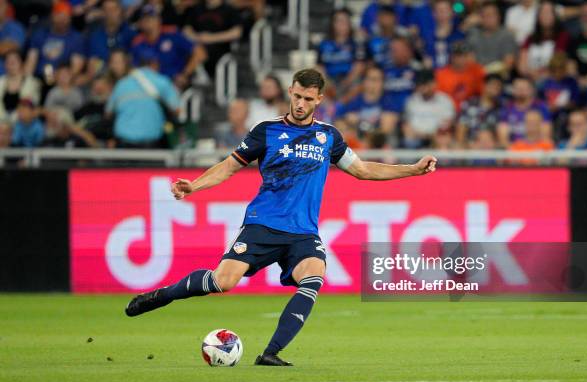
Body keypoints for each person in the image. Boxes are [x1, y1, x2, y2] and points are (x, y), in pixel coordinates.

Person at [125, 68, 437, 366]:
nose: (301, 104)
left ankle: (270, 353)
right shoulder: (267, 131)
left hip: (302, 232)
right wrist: (194, 185)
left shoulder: (328, 137)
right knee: (223, 281)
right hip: (263, 224)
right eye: (297, 96)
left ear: (319, 100)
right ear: (290, 92)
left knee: (314, 277)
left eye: (308, 99)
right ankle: (162, 296)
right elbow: (229, 166)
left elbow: (364, 169)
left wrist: (413, 169)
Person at [106, 52, 180, 148]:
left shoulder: (121, 84)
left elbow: (108, 113)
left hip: (124, 144)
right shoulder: (163, 82)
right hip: (152, 144)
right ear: (155, 64)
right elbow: (178, 111)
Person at [131, 4, 206, 88]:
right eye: (144, 19)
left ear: (159, 19)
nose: (148, 22)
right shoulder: (137, 42)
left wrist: (185, 74)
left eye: (151, 18)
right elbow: (133, 67)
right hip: (148, 86)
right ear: (140, 23)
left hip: (174, 82)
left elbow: (200, 53)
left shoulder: (172, 34)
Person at [25, 1, 86, 82]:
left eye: (65, 17)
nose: (62, 21)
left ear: (70, 19)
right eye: (59, 16)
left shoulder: (76, 38)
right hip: (38, 78)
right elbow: (31, 61)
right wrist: (26, 80)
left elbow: (76, 67)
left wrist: (63, 78)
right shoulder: (41, 34)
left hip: (62, 81)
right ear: (52, 16)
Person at [183, 0, 242, 78]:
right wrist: (198, 37)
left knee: (200, 51)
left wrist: (211, 38)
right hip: (198, 43)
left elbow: (237, 32)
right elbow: (187, 29)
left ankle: (184, 77)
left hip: (219, 48)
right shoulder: (197, 8)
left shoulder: (229, 9)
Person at [401, 68, 455, 148]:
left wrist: (431, 136)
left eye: (425, 83)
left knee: (443, 141)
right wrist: (421, 135)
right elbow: (407, 126)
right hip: (416, 140)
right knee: (408, 140)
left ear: (433, 83)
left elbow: (447, 126)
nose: (422, 87)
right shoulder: (412, 100)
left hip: (436, 140)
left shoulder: (445, 101)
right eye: (420, 84)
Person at [518, 1, 569, 81]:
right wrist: (532, 73)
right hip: (530, 78)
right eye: (543, 12)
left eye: (549, 12)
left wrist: (544, 75)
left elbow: (559, 63)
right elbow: (522, 66)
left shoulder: (563, 37)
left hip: (553, 79)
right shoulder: (529, 38)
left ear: (555, 15)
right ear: (538, 16)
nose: (546, 16)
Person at [317, 8, 365, 91]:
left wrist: (345, 83)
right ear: (333, 24)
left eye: (345, 21)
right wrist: (327, 84)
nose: (342, 24)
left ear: (350, 23)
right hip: (329, 82)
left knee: (360, 83)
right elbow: (319, 67)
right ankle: (329, 104)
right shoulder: (324, 44)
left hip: (350, 81)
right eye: (339, 21)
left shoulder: (356, 44)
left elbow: (359, 66)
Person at [86, 0, 136, 77]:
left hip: (125, 78)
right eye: (107, 10)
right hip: (102, 79)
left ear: (120, 11)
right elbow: (92, 65)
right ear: (102, 13)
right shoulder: (94, 36)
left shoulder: (130, 34)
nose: (111, 13)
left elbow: (133, 62)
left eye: (114, 9)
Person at [497, 77, 552, 146]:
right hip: (514, 151)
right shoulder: (507, 109)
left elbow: (545, 135)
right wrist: (517, 149)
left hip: (536, 151)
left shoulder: (541, 108)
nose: (521, 91)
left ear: (531, 90)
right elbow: (503, 139)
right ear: (513, 90)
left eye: (524, 88)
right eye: (518, 88)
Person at [466, 1, 517, 74]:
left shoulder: (506, 35)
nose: (487, 19)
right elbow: (468, 59)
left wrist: (485, 71)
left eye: (490, 15)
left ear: (498, 16)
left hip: (498, 77)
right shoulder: (474, 33)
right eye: (484, 16)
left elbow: (508, 63)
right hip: (476, 76)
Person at [435, 41, 485, 111]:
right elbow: (438, 99)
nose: (462, 59)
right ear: (451, 57)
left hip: (470, 110)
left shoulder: (476, 70)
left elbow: (484, 93)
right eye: (458, 55)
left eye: (465, 55)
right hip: (447, 110)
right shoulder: (440, 74)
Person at [456, 73, 504, 146]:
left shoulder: (501, 108)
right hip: (471, 147)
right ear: (484, 85)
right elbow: (461, 130)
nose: (496, 88)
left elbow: (501, 135)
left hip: (492, 149)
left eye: (498, 86)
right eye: (493, 84)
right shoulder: (469, 104)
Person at [422, 0, 465, 69]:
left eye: (445, 10)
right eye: (438, 11)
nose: (441, 14)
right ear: (433, 14)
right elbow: (426, 55)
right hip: (433, 74)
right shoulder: (427, 36)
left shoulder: (459, 36)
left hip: (453, 75)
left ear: (452, 12)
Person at [0, 51, 41, 121]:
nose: (10, 66)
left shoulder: (31, 83)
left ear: (21, 63)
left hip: (23, 123)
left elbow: (30, 108)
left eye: (13, 62)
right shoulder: (1, 81)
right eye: (7, 63)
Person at [0, 0, 25, 76]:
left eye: (0, 5)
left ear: (6, 7)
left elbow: (7, 48)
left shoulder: (14, 27)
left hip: (6, 78)